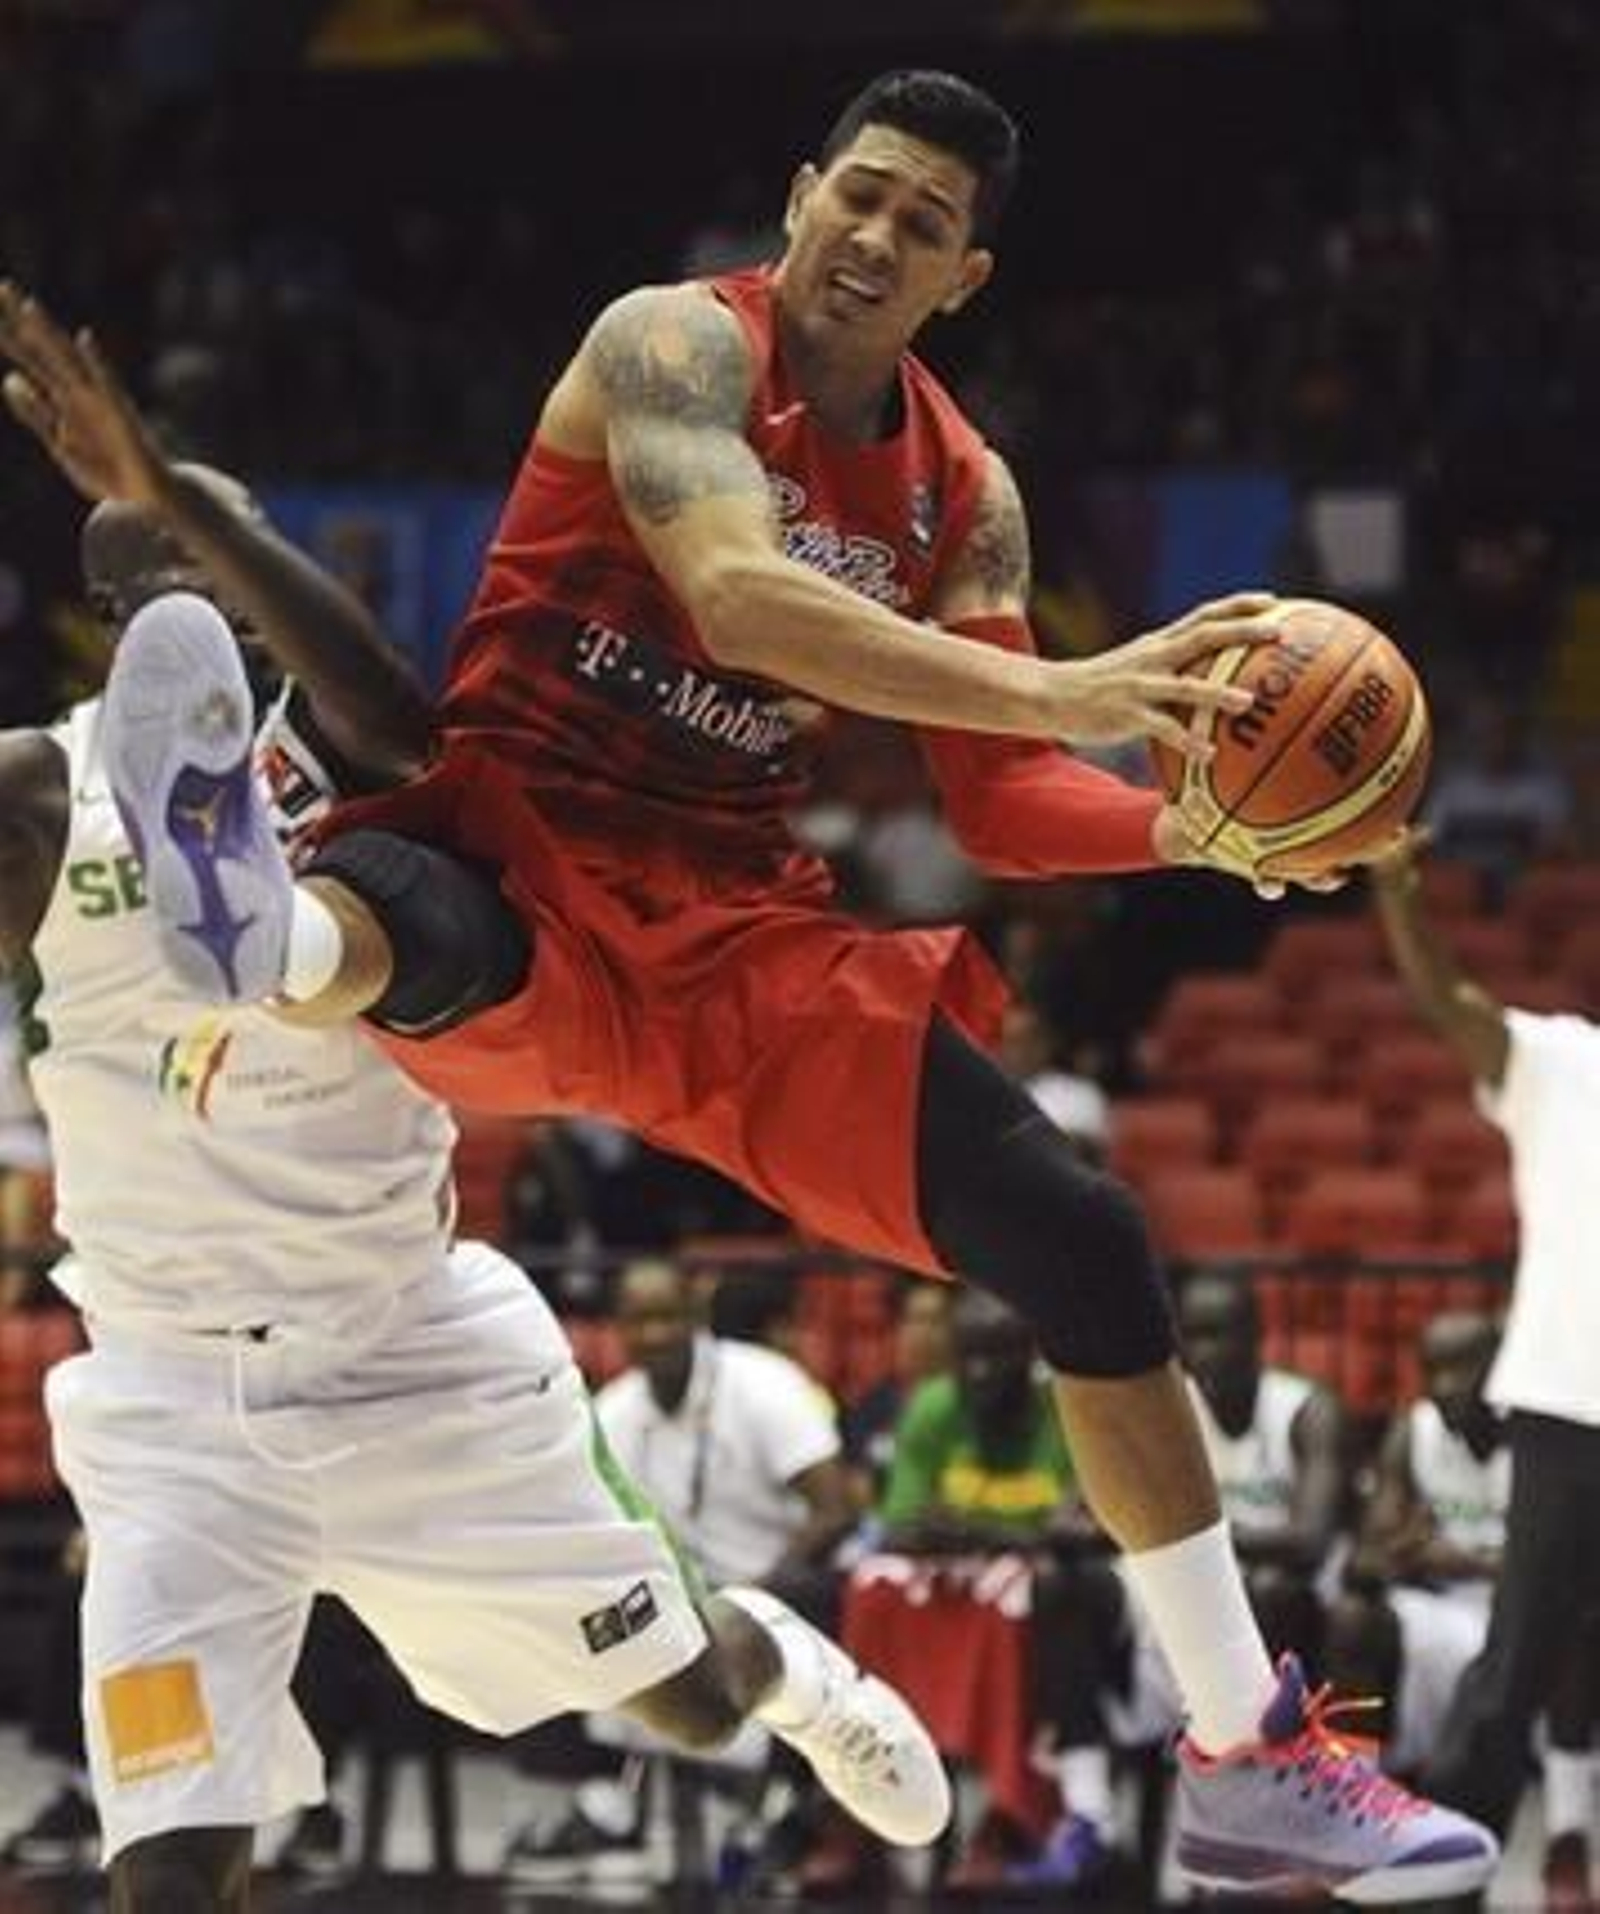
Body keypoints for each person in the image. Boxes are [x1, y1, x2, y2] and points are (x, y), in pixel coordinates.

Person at [62, 68, 1493, 1899]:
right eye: (863, 196)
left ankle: (1245, 1755)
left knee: (1084, 1239)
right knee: (416, 914)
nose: (878, 238)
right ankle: (255, 922)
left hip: (736, 923)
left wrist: (1190, 836)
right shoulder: (673, 349)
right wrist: (1071, 685)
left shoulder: (966, 493)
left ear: (962, 277)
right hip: (519, 845)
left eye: (925, 225)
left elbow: (1007, 807)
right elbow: (736, 595)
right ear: (804, 195)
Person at [0, 283, 951, 1912]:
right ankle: (250, 926)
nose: (189, 587)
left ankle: (789, 1667)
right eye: (151, 569)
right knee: (165, 1865)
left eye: (212, 560)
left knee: (688, 1695)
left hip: (402, 1358)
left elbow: (391, 705)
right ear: (109, 625)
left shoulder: (362, 757)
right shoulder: (40, 785)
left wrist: (179, 504)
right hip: (170, 1402)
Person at [1371, 830, 1600, 1860]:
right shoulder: (1560, 1060)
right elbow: (1448, 1003)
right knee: (1513, 1671)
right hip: (1566, 1400)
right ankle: (1449, 1877)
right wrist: (1398, 890)